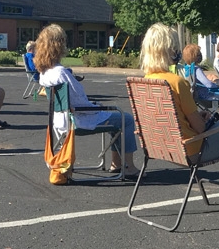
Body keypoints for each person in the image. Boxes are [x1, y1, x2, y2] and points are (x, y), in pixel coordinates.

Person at [141, 23, 219, 213]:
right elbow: (200, 129)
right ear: (169, 49)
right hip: (192, 149)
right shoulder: (176, 82)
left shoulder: (145, 81)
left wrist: (195, 117)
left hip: (161, 147)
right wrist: (204, 120)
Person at [35, 25, 141, 176]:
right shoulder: (61, 73)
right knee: (126, 119)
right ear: (59, 45)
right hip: (78, 120)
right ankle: (128, 166)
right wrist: (97, 106)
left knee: (115, 120)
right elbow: (79, 103)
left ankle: (116, 164)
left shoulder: (44, 73)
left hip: (59, 120)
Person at [180, 44, 219, 114]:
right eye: (198, 53)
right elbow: (209, 85)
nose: (200, 55)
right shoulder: (197, 69)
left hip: (199, 97)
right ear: (194, 56)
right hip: (208, 97)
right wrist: (218, 85)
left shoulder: (187, 68)